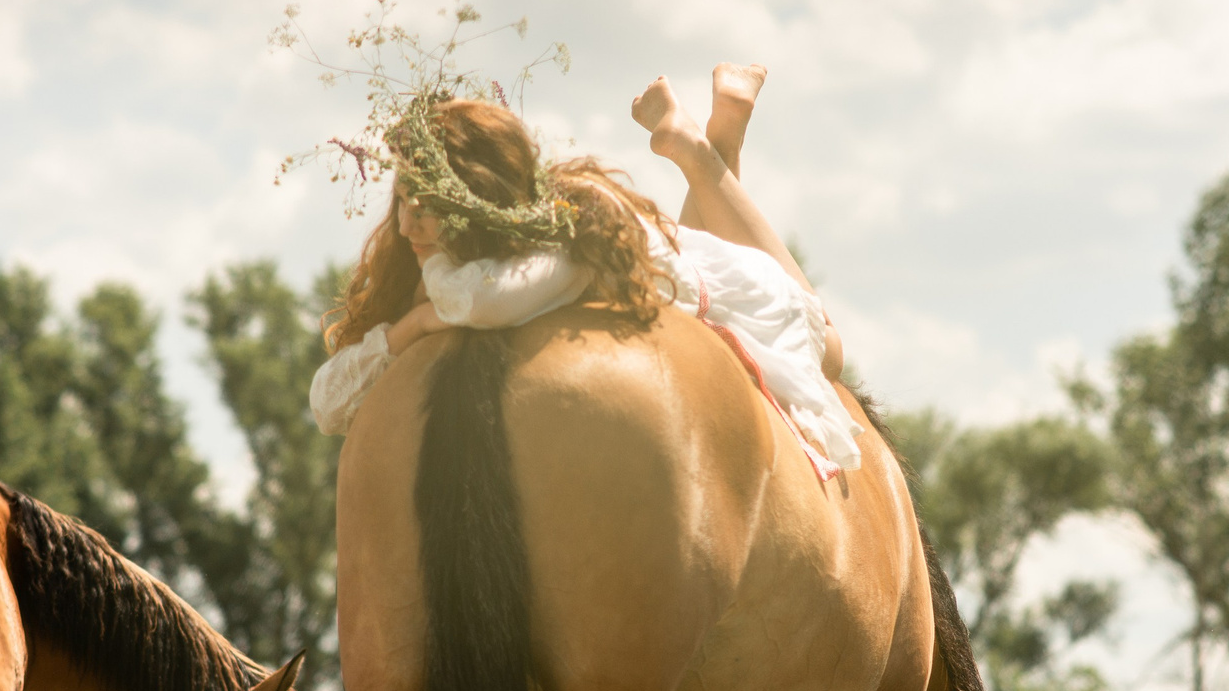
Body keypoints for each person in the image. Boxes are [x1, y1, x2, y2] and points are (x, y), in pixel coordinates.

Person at [307, 64, 859, 474]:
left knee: (829, 350)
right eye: (402, 201)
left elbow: (481, 302)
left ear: (475, 200)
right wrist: (409, 327)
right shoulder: (445, 258)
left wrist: (424, 319)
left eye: (428, 207)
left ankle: (702, 153)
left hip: (711, 285)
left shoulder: (559, 241)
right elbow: (328, 403)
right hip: (680, 267)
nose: (406, 225)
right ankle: (715, 144)